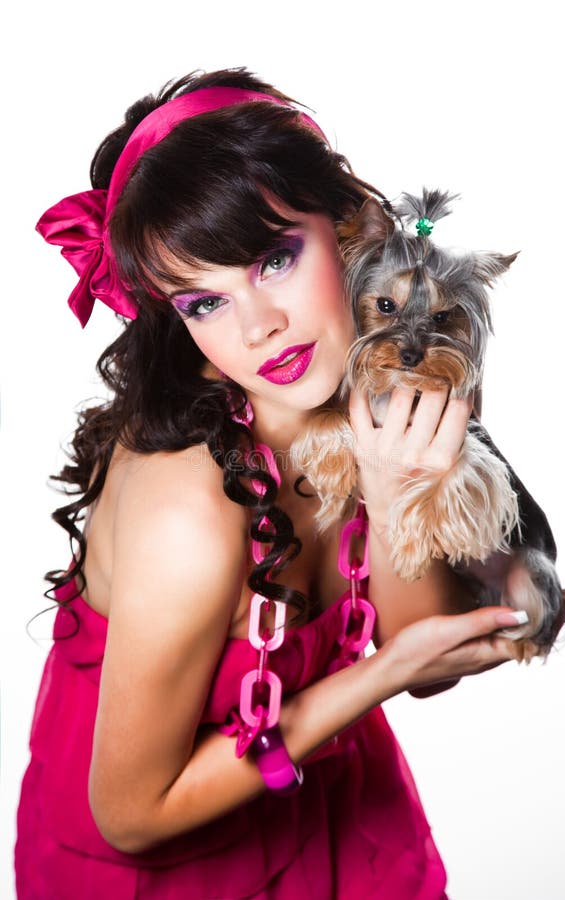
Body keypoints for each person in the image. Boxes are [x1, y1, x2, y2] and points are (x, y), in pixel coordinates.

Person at [14, 67, 532, 900]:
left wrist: (397, 490)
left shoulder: (368, 402)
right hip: (169, 868)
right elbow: (132, 812)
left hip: (329, 803)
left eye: (273, 260)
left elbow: (429, 660)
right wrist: (376, 677)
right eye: (202, 304)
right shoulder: (188, 510)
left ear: (353, 225)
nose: (257, 328)